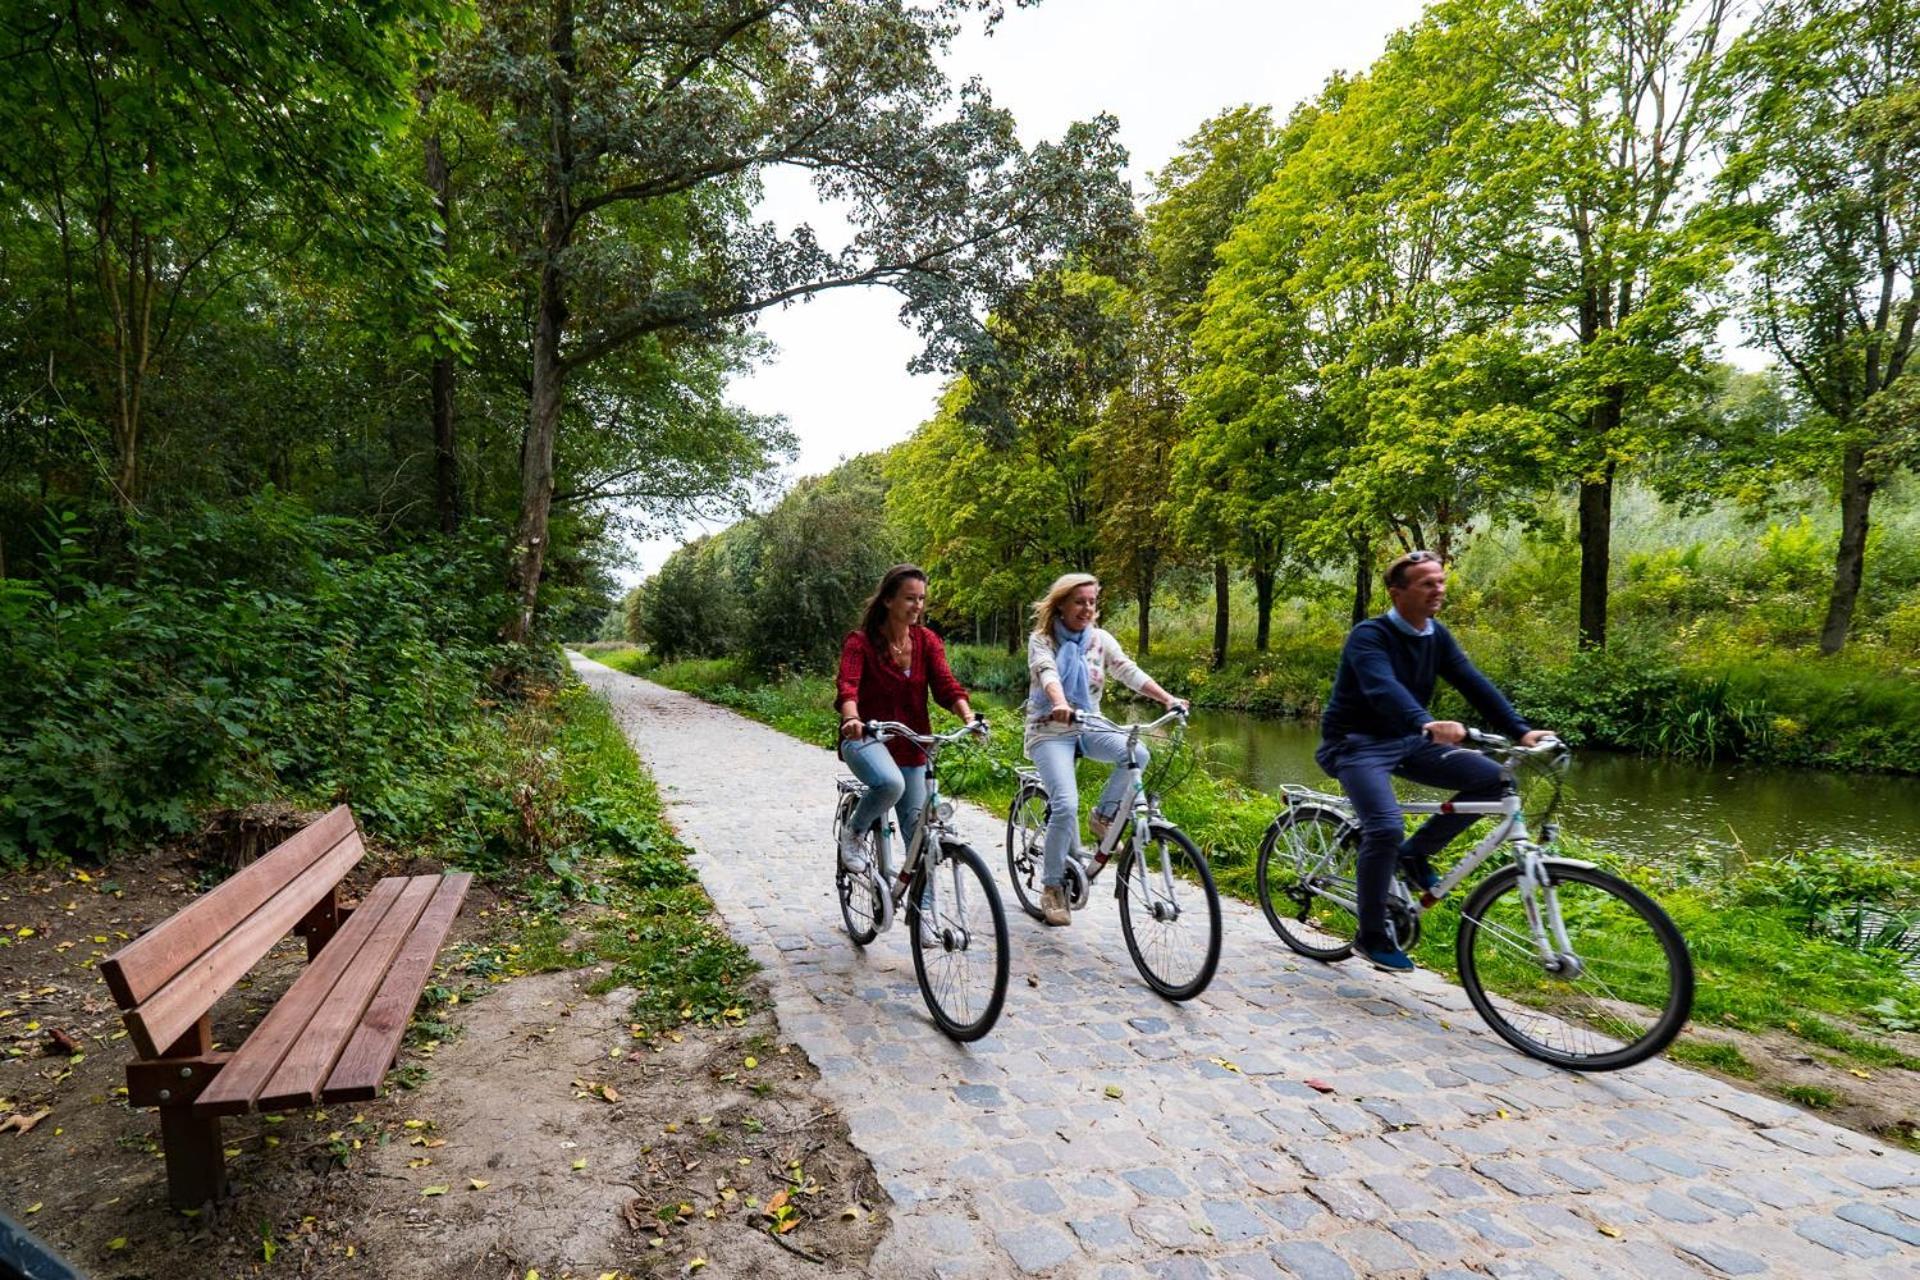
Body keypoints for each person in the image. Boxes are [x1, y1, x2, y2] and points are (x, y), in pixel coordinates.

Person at [1317, 549, 1555, 973]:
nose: (1439, 590)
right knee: (1385, 826)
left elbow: (1473, 682)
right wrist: (1426, 722)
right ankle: (1371, 934)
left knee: (1496, 780)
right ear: (1397, 592)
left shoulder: (1436, 635)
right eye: (1427, 583)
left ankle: (1415, 855)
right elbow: (1381, 688)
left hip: (1409, 740)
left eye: (1441, 582)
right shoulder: (1369, 636)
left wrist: (1521, 732)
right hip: (1355, 744)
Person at [1024, 573, 1187, 927]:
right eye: (1079, 601)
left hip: (1089, 723)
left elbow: (1128, 670)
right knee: (1065, 805)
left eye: (1092, 602)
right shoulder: (1042, 639)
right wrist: (1060, 701)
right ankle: (1052, 887)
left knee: (1137, 753)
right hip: (1050, 728)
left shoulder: (1100, 640)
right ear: (1062, 604)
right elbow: (1047, 673)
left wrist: (1167, 699)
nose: (1087, 609)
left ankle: (1105, 816)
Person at [835, 565, 975, 877]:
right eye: (910, 598)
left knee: (920, 841)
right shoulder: (860, 643)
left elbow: (946, 686)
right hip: (866, 737)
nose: (918, 606)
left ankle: (923, 917)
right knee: (890, 783)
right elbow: (848, 685)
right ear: (888, 600)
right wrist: (852, 719)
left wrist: (969, 716)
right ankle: (855, 833)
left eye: (922, 599)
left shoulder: (926, 641)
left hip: (913, 744)